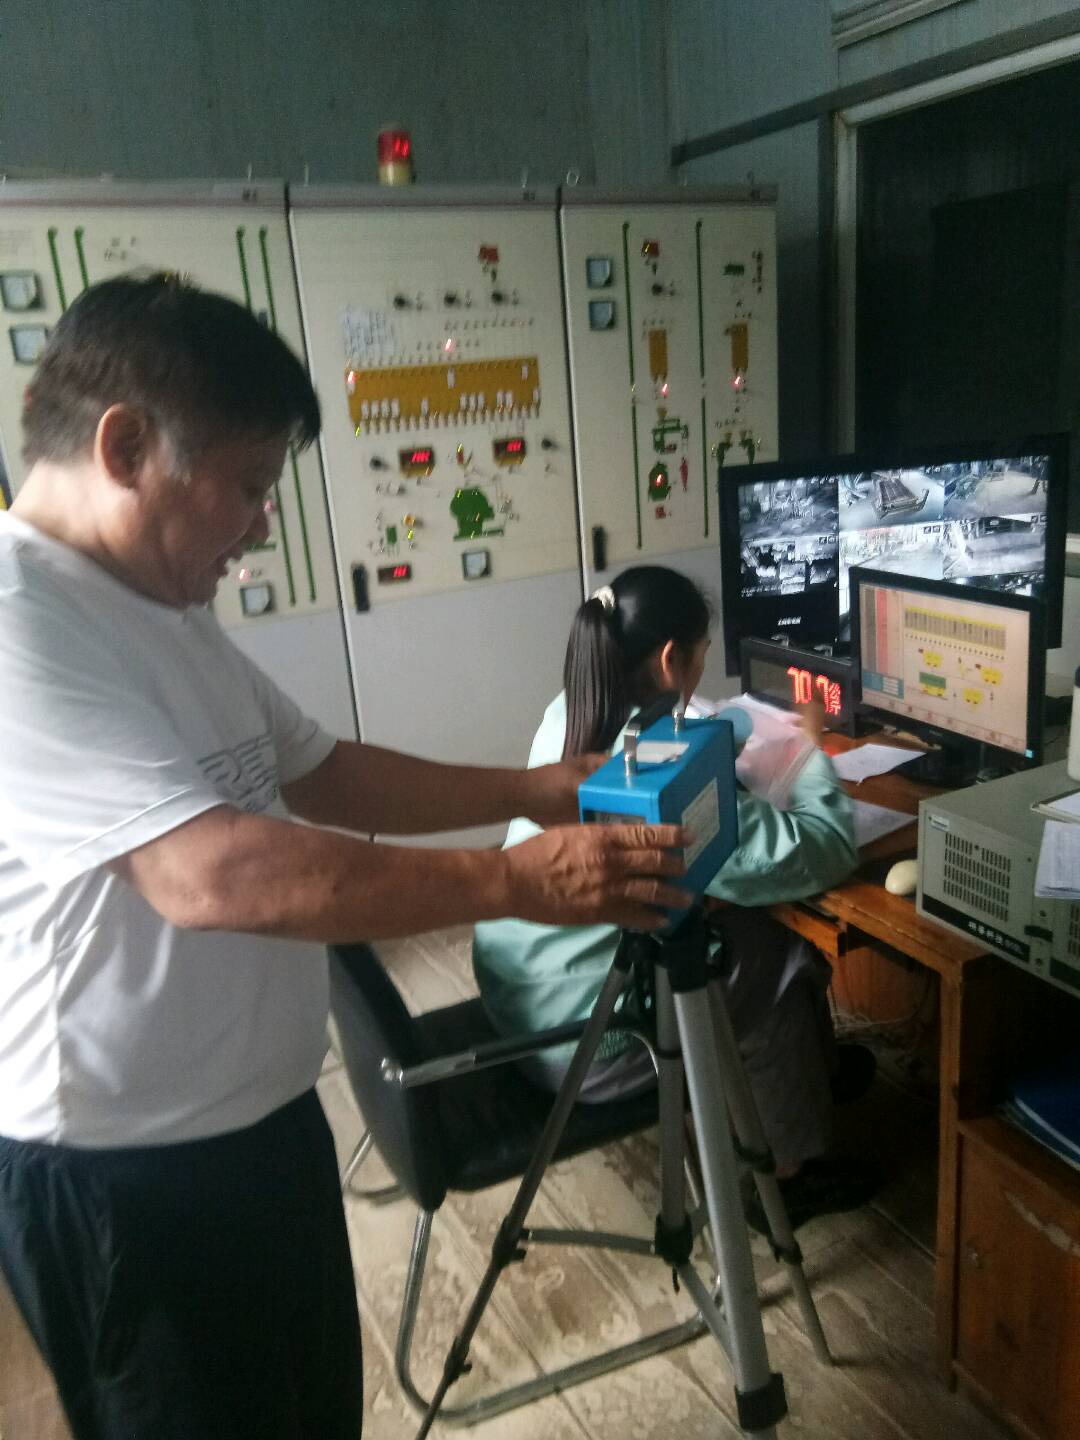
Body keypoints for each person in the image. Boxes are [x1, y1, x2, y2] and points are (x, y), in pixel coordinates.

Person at [0, 274, 690, 1440]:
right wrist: (516, 880)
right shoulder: (22, 615)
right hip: (126, 1177)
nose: (263, 524)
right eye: (249, 484)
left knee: (312, 1410)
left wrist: (533, 788)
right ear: (125, 448)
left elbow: (324, 768)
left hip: (262, 1121)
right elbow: (209, 874)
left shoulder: (159, 607)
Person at [473, 566, 880, 1226]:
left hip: (521, 999)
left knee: (738, 922)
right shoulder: (662, 777)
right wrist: (809, 756)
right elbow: (825, 848)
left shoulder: (571, 709)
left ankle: (816, 1077)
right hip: (586, 1042)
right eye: (701, 655)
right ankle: (791, 1173)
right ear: (670, 660)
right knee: (777, 951)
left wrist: (727, 749)